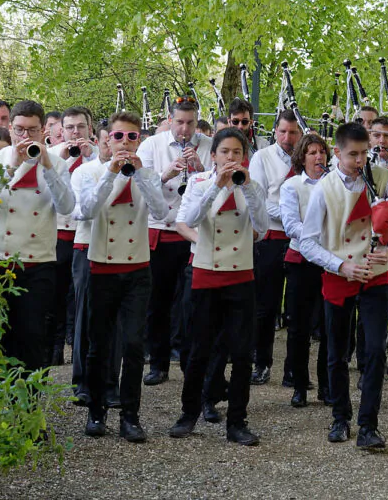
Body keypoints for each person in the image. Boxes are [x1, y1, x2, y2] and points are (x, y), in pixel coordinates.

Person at [298, 122, 388, 450]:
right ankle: (339, 416)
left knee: (376, 349)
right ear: (337, 153)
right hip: (338, 275)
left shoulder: (385, 180)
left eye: (365, 153)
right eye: (353, 154)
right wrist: (341, 265)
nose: (360, 160)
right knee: (337, 353)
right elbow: (307, 242)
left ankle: (368, 425)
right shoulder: (323, 188)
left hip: (376, 276)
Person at [169, 127, 267, 445]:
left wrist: (247, 187)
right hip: (206, 272)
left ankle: (237, 421)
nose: (230, 158)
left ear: (244, 157)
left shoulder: (252, 185)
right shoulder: (199, 182)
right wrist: (216, 186)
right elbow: (192, 219)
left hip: (241, 274)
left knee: (241, 354)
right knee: (198, 350)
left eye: (236, 153)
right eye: (224, 152)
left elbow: (263, 228)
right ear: (214, 155)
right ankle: (189, 413)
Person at [80, 111, 167, 443]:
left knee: (133, 344)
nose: (125, 143)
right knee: (98, 344)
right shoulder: (92, 173)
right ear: (106, 139)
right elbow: (86, 211)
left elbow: (161, 212)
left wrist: (141, 173)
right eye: (119, 137)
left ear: (139, 140)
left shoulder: (149, 174)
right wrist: (111, 174)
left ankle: (130, 416)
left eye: (132, 137)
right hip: (101, 266)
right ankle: (96, 410)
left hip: (137, 267)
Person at [0, 100, 75, 376]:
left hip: (38, 262)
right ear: (10, 128)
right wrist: (10, 167)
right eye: (20, 130)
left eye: (32, 131)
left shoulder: (57, 163)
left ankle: (30, 406)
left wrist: (47, 166)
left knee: (34, 337)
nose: (25, 137)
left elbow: (68, 208)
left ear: (43, 129)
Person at [136, 97, 210, 386]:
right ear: (170, 119)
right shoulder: (152, 145)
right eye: (180, 122)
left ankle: (189, 361)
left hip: (193, 233)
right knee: (159, 301)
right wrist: (169, 172)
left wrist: (199, 166)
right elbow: (141, 184)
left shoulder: (207, 143)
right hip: (161, 230)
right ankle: (158, 362)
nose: (185, 128)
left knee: (190, 301)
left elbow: (215, 182)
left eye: (190, 123)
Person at [248, 109, 302, 386]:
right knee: (265, 306)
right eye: (282, 131)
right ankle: (261, 362)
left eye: (293, 132)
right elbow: (259, 201)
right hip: (271, 237)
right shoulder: (262, 157)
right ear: (275, 131)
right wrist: (292, 214)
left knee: (296, 307)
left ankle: (294, 371)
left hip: (301, 241)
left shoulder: (309, 157)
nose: (287, 137)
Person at [69, 119, 120, 407]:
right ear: (100, 141)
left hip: (119, 250)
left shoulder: (133, 171)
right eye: (105, 141)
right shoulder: (86, 171)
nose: (110, 146)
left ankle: (111, 383)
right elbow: (81, 211)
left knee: (116, 322)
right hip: (87, 246)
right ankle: (83, 382)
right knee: (85, 316)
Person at [280, 132, 331, 408]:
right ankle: (299, 385)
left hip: (330, 264)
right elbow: (291, 225)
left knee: (328, 326)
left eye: (321, 151)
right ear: (302, 157)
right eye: (312, 152)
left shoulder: (336, 185)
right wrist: (318, 240)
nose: (318, 156)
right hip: (301, 262)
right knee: (299, 327)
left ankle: (327, 386)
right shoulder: (291, 187)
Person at [48, 106, 97, 366]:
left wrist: (89, 157)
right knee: (55, 294)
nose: (75, 132)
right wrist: (66, 159)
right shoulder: (52, 155)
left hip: (86, 236)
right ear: (60, 130)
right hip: (57, 233)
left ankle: (80, 347)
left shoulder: (98, 157)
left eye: (80, 127)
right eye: (69, 127)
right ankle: (55, 349)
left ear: (89, 128)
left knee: (81, 297)